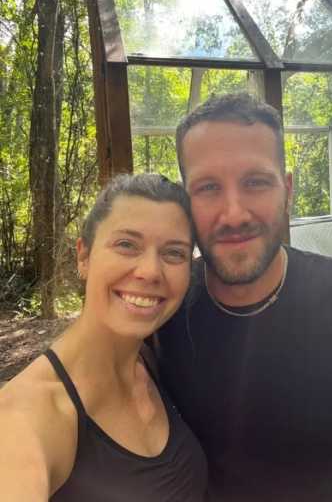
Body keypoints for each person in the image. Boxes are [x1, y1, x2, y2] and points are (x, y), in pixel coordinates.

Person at [157, 93, 332, 502]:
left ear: (287, 190)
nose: (234, 213)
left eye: (256, 182)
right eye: (208, 187)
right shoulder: (163, 311)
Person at [0, 173, 207, 501]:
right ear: (83, 256)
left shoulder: (156, 361)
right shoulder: (27, 416)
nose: (150, 271)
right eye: (127, 245)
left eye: (174, 253)